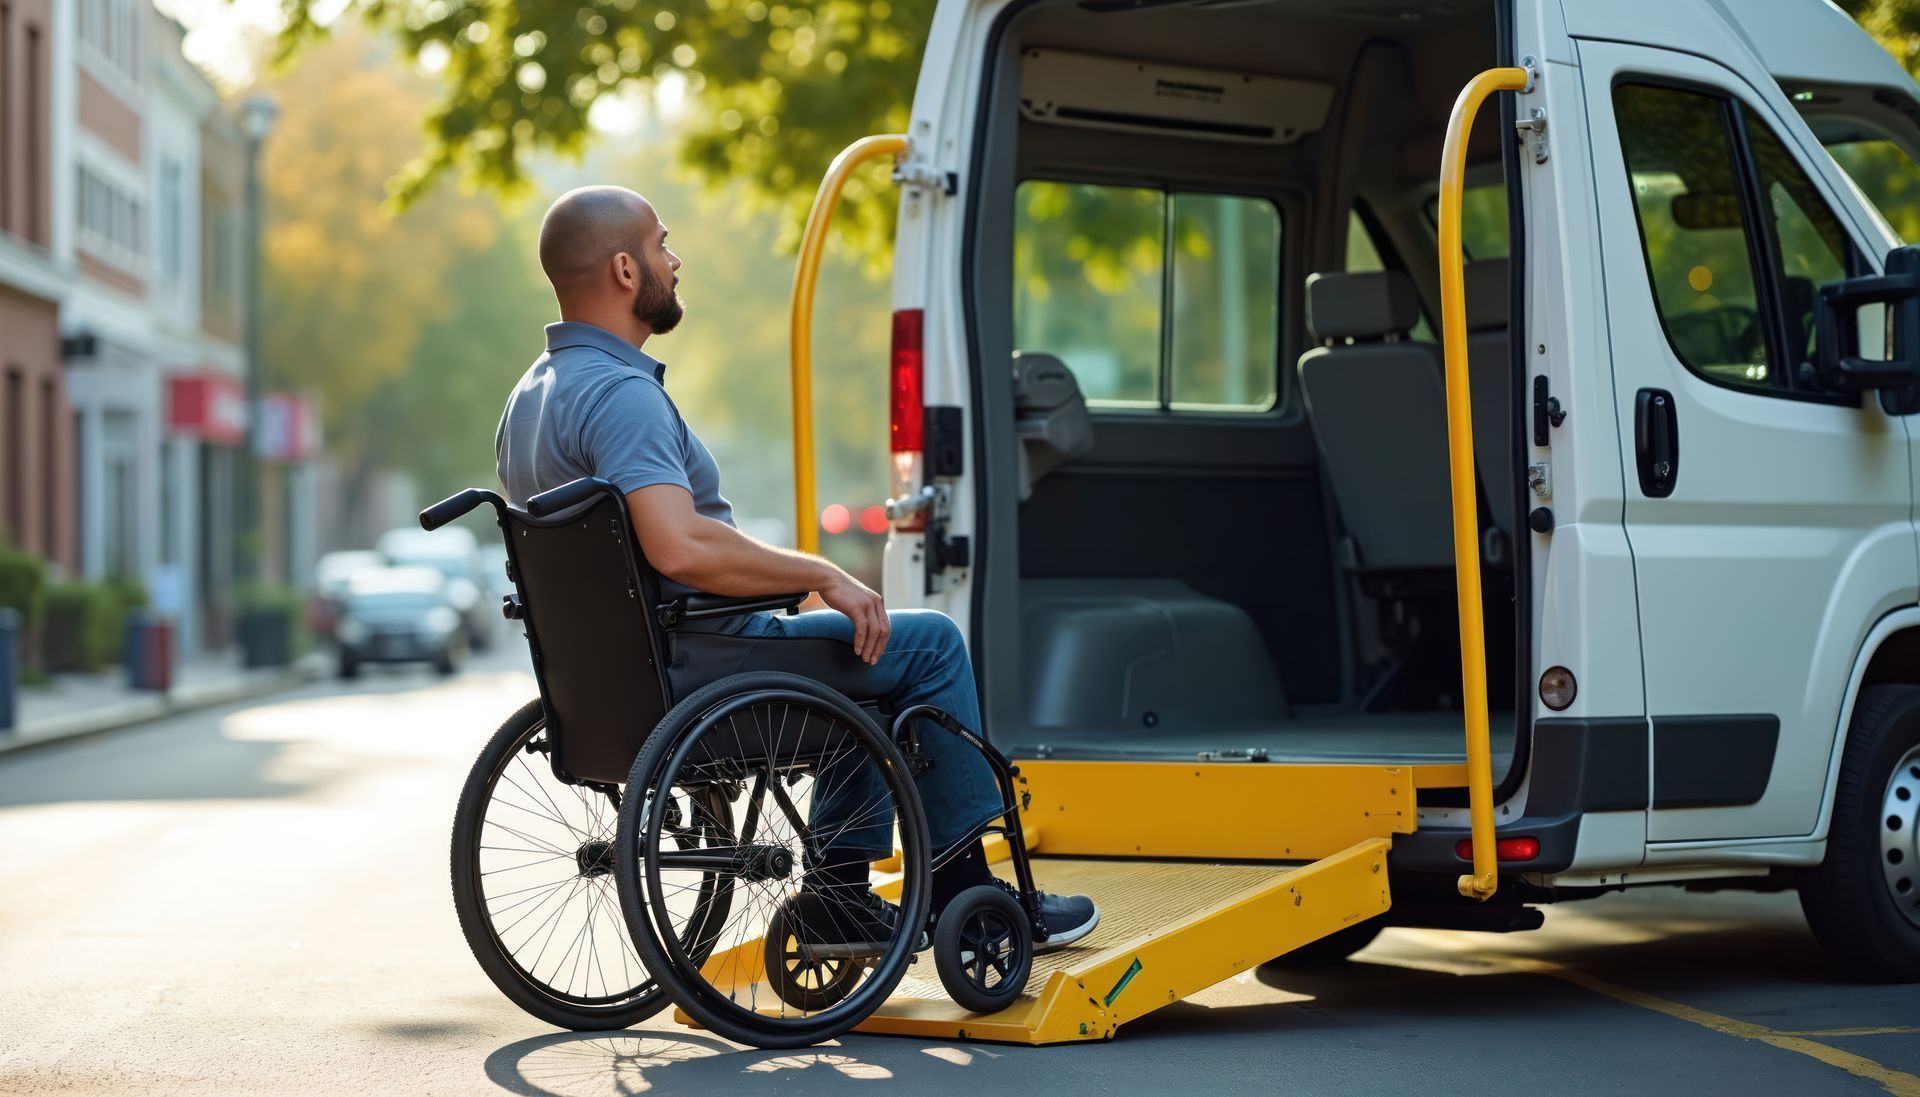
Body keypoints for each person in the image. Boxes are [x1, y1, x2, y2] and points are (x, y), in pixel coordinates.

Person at [495, 185, 1099, 954]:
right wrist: (823, 571)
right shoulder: (620, 396)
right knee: (930, 647)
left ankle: (840, 899)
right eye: (660, 244)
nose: (673, 261)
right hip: (702, 662)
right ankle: (967, 889)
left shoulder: (528, 398)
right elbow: (677, 547)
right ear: (623, 269)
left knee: (860, 689)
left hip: (619, 685)